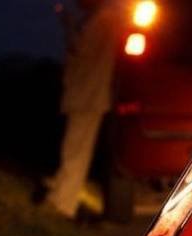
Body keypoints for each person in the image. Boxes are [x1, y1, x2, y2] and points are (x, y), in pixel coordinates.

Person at [45, 0, 120, 218]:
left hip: (88, 96)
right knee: (74, 150)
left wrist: (68, 24)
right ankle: (60, 197)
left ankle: (63, 205)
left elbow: (81, 49)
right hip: (87, 95)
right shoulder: (103, 19)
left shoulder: (102, 20)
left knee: (75, 152)